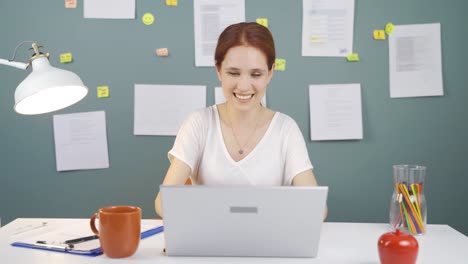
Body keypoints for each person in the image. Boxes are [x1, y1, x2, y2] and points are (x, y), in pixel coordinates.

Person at [155, 22, 326, 218]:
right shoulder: (199, 123)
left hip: (268, 243)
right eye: (233, 73)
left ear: (270, 72)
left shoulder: (286, 129)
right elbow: (163, 203)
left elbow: (318, 209)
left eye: (256, 74)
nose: (244, 86)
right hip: (208, 242)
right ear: (218, 70)